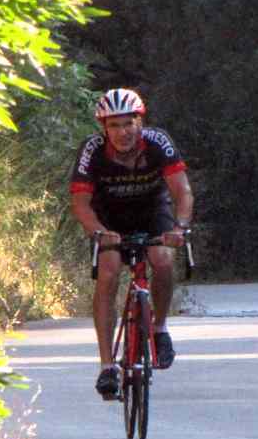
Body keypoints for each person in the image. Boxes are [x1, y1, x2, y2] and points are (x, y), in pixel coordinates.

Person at [70, 88, 194, 400]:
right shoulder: (92, 150)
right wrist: (99, 232)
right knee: (109, 271)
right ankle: (107, 366)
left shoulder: (158, 142)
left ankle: (160, 328)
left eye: (129, 124)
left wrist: (180, 227)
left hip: (152, 211)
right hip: (108, 216)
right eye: (114, 125)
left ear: (140, 123)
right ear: (104, 128)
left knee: (162, 259)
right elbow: (81, 204)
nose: (123, 132)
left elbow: (182, 191)